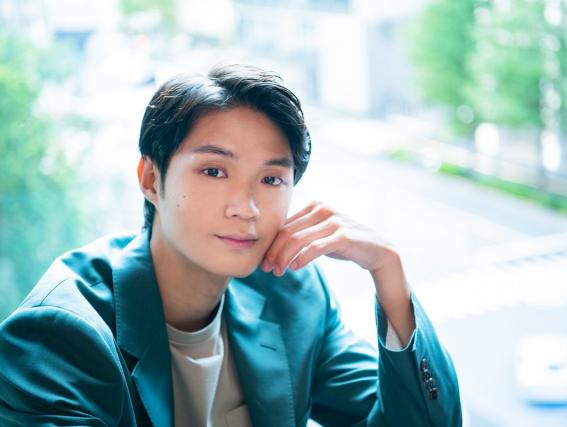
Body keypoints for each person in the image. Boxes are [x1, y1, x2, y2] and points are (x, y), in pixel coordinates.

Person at [0, 64, 462, 426]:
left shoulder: (291, 294)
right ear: (151, 179)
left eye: (271, 179)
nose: (246, 207)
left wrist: (389, 275)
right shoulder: (60, 334)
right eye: (214, 171)